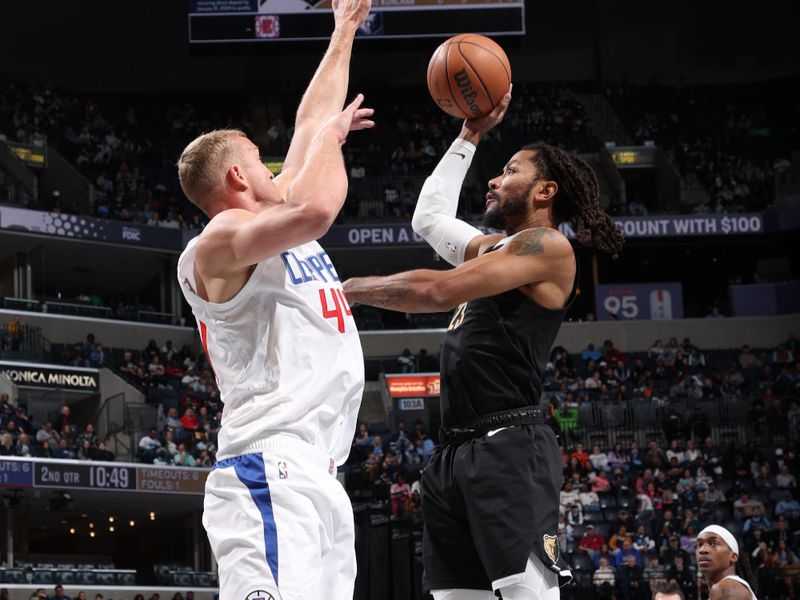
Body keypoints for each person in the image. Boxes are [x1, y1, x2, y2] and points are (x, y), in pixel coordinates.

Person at [342, 85, 623, 599]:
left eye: (511, 170)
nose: (494, 179)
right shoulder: (493, 248)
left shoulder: (548, 247)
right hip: (453, 453)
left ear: (545, 192)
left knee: (527, 594)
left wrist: (354, 290)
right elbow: (427, 219)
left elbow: (437, 289)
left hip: (509, 445)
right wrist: (469, 134)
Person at [175, 0, 373, 598]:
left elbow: (311, 126)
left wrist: (344, 29)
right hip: (268, 468)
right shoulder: (218, 243)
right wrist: (334, 139)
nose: (275, 166)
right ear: (237, 178)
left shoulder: (268, 215)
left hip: (319, 473)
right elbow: (318, 207)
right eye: (261, 161)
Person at [696, 525, 758, 599]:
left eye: (713, 544)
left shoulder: (727, 589)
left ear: (733, 556)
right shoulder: (730, 587)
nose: (702, 550)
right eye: (699, 545)